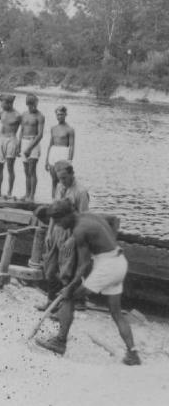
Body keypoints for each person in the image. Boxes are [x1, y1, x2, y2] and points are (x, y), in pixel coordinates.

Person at [35, 199, 141, 366]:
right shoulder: (91, 216)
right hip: (119, 261)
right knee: (116, 312)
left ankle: (60, 342)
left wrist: (70, 287)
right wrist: (110, 243)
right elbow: (113, 220)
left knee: (69, 297)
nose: (57, 225)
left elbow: (84, 266)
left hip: (106, 267)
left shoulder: (78, 230)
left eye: (58, 220)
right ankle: (133, 354)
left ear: (67, 215)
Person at [35, 160, 89, 312]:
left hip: (71, 232)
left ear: (72, 174)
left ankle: (69, 303)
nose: (62, 181)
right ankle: (50, 300)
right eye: (59, 178)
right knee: (50, 266)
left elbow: (83, 219)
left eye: (65, 178)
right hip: (56, 230)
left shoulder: (81, 192)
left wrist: (73, 239)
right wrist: (49, 232)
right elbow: (54, 211)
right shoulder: (59, 187)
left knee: (66, 270)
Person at [18, 93, 45, 201]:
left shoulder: (40, 116)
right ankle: (27, 193)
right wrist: (19, 145)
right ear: (27, 104)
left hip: (34, 142)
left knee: (32, 170)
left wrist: (29, 148)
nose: (33, 107)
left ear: (36, 103)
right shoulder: (24, 114)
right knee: (26, 171)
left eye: (34, 104)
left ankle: (32, 195)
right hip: (24, 140)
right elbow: (22, 130)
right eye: (30, 105)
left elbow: (40, 134)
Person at [0, 94, 21, 197]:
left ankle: (9, 192)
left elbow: (23, 129)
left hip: (12, 139)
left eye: (3, 103)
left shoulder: (17, 115)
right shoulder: (2, 112)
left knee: (10, 167)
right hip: (2, 138)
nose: (1, 105)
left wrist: (19, 146)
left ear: (10, 103)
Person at [44, 106, 75, 198]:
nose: (59, 117)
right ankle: (53, 201)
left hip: (63, 153)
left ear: (65, 115)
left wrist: (69, 160)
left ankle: (63, 201)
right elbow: (50, 145)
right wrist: (46, 160)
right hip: (54, 153)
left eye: (61, 114)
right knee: (54, 180)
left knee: (63, 180)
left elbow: (72, 146)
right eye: (58, 115)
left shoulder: (70, 129)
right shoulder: (53, 128)